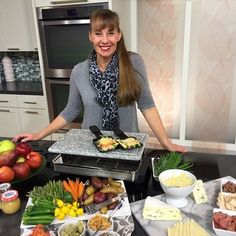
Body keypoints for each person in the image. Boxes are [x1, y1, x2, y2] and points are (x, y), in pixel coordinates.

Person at [13, 9, 187, 153]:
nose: (105, 40)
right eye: (98, 33)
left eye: (110, 33)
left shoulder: (133, 63)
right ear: (90, 36)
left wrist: (165, 142)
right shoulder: (79, 71)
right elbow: (70, 111)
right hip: (92, 146)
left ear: (118, 35)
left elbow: (147, 104)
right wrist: (39, 134)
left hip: (127, 145)